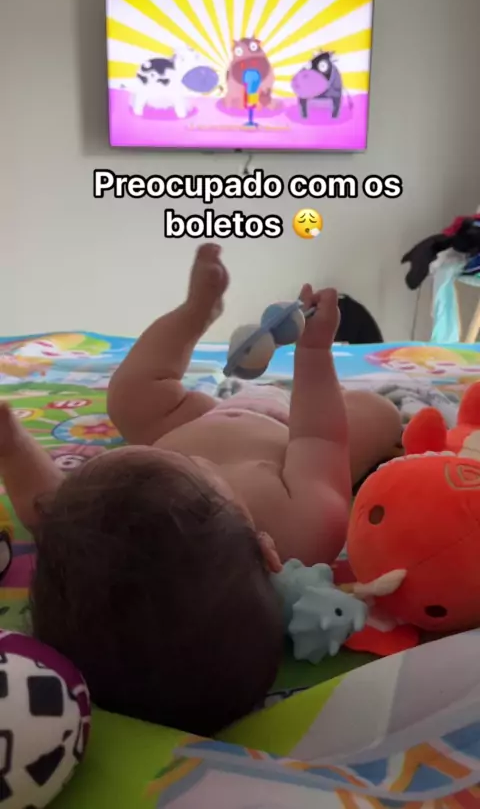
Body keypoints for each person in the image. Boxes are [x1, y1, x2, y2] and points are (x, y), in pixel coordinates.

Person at [0, 244, 401, 735]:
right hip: (287, 431)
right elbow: (320, 437)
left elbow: (43, 505)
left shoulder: (88, 532)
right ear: (267, 550)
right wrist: (314, 354)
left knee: (129, 397)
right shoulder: (306, 525)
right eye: (194, 466)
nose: (197, 458)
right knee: (378, 415)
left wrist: (12, 446)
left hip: (188, 416)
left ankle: (196, 312)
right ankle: (330, 395)